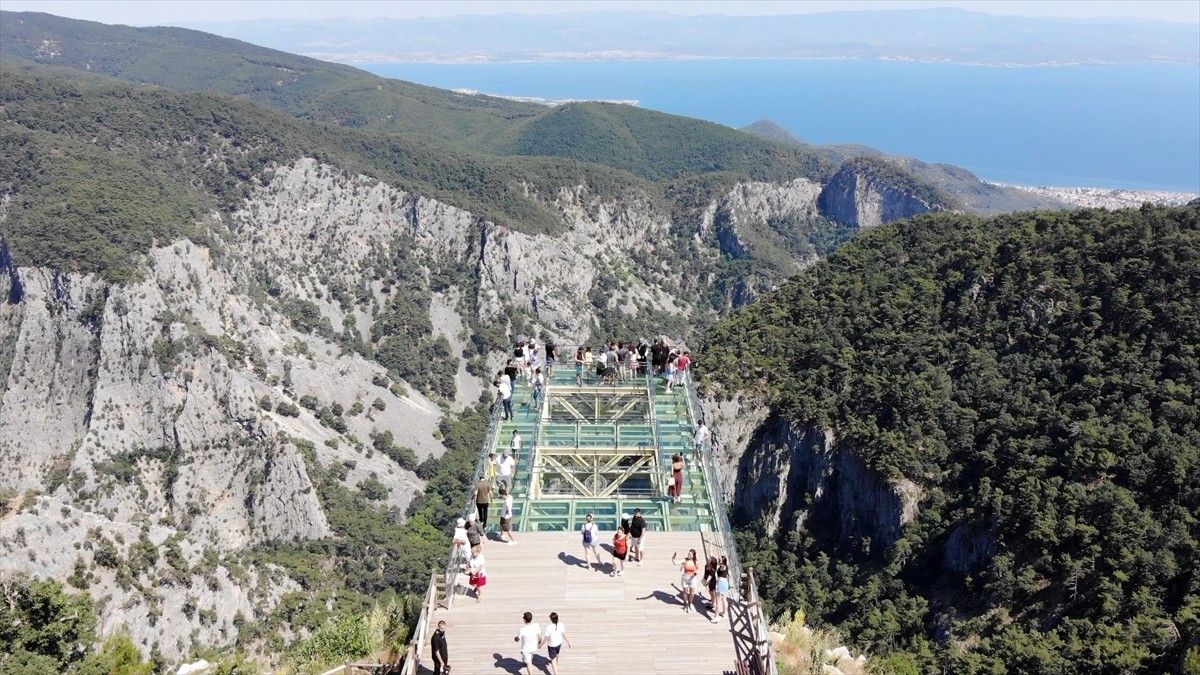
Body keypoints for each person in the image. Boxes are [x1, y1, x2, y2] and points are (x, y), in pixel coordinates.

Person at [673, 549, 701, 613]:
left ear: (693, 556)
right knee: (685, 592)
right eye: (688, 554)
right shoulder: (684, 560)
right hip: (685, 578)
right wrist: (673, 558)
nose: (688, 555)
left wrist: (695, 573)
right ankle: (686, 604)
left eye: (690, 554)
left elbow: (698, 569)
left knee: (692, 593)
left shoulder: (696, 561)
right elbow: (675, 563)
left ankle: (690, 603)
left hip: (692, 578)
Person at [515, 611, 540, 675]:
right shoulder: (536, 626)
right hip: (534, 648)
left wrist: (515, 638)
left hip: (526, 650)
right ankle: (525, 660)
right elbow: (540, 636)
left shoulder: (522, 630)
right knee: (529, 656)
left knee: (529, 663)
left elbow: (517, 639)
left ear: (524, 620)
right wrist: (539, 642)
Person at [712, 556, 731, 622]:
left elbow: (722, 566)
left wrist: (719, 564)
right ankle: (724, 613)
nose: (718, 560)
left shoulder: (723, 566)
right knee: (724, 599)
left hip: (721, 584)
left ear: (723, 561)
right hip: (725, 583)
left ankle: (716, 616)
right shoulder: (725, 566)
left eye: (719, 560)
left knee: (718, 601)